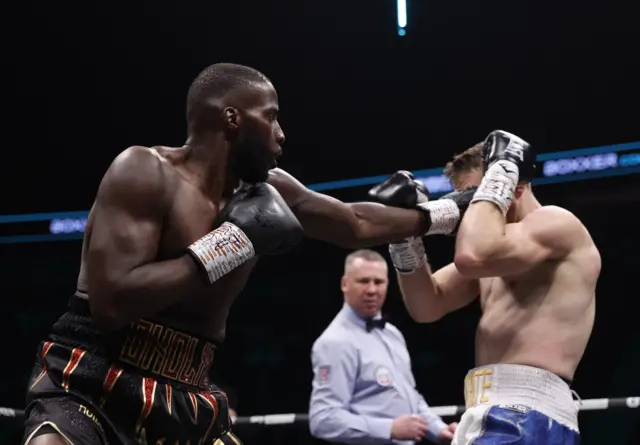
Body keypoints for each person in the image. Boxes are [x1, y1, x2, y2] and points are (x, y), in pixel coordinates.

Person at [22, 63, 460, 445]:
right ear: (232, 118)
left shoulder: (269, 189)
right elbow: (112, 303)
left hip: (188, 391)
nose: (281, 134)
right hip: (92, 380)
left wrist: (449, 211)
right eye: (270, 117)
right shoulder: (144, 171)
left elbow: (355, 222)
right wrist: (230, 243)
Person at [381, 131, 601, 444]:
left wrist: (500, 174)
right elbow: (426, 306)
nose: (469, 210)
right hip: (493, 410)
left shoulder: (555, 224)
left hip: (528, 412)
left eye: (476, 197)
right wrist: (404, 239)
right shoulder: (493, 254)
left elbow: (472, 256)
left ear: (516, 186)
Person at [309, 249, 458, 445]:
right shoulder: (335, 342)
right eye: (363, 281)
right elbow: (323, 419)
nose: (372, 290)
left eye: (378, 282)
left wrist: (439, 430)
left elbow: (409, 396)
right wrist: (388, 429)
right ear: (345, 284)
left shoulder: (392, 334)